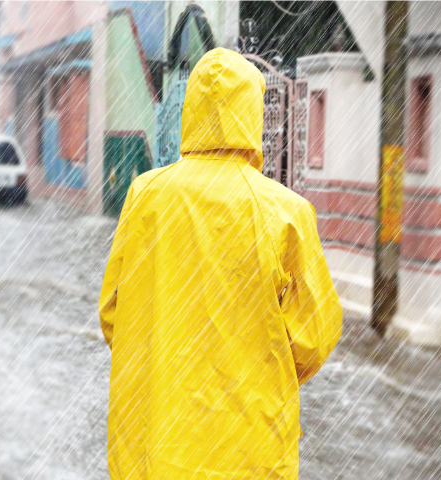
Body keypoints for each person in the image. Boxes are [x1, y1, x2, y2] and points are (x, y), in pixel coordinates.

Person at [98, 48, 342, 480]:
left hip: (155, 443)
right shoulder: (286, 213)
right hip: (248, 448)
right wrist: (254, 367)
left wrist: (165, 360)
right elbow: (314, 339)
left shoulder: (145, 197)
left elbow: (113, 313)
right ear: (252, 111)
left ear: (190, 111)